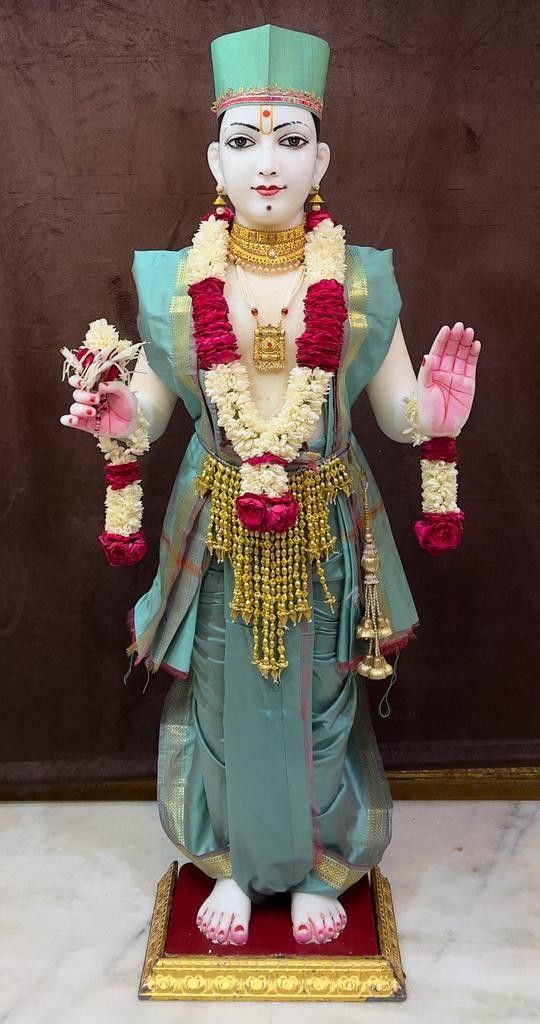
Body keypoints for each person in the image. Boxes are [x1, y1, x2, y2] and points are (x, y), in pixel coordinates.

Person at [60, 24, 480, 947]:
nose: (267, 163)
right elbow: (153, 413)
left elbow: (400, 412)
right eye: (244, 141)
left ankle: (318, 866)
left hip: (324, 516)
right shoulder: (178, 283)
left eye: (290, 141)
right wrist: (120, 419)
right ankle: (230, 866)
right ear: (215, 160)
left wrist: (436, 415)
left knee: (321, 698)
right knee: (219, 693)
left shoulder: (359, 283)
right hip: (218, 517)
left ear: (320, 161)